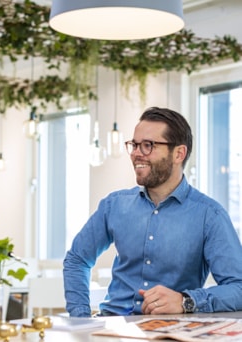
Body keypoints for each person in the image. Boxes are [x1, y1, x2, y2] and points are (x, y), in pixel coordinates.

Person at [64, 107, 242, 317]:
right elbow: (77, 259)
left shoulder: (209, 215)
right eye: (134, 145)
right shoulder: (114, 205)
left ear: (179, 153)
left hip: (171, 330)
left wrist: (186, 301)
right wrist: (81, 319)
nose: (137, 153)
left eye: (148, 145)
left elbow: (238, 288)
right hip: (111, 327)